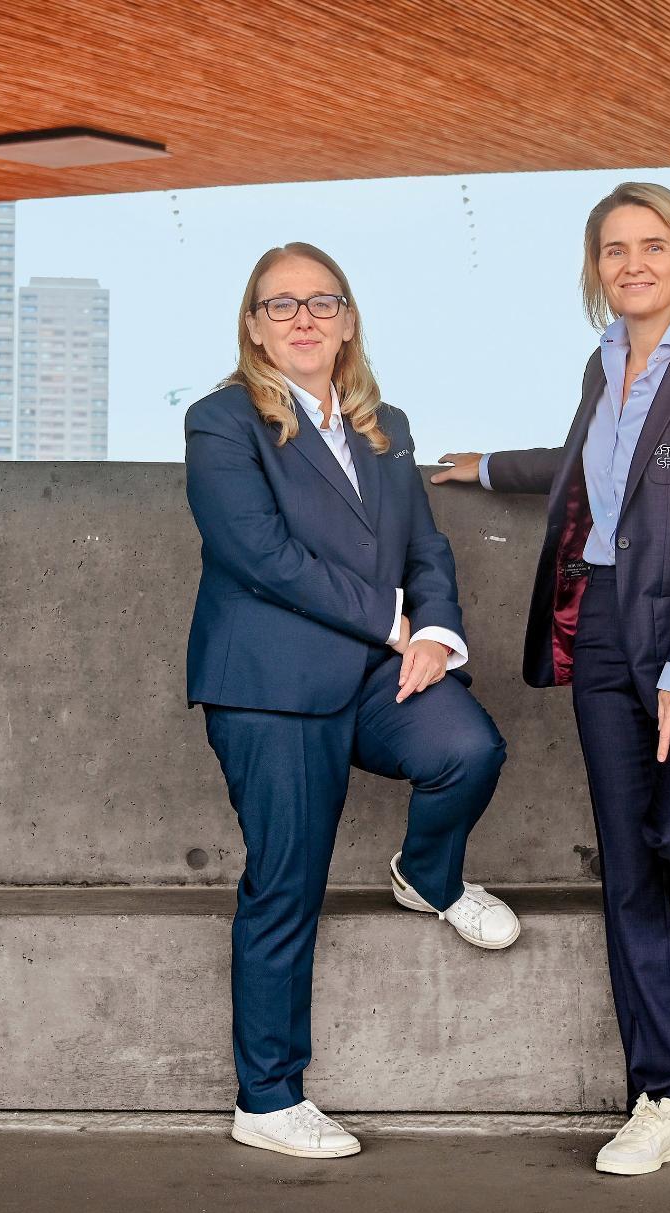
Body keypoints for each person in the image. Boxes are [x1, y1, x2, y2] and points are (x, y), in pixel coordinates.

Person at [434, 182, 670, 1177]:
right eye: (614, 249)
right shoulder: (604, 363)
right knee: (632, 877)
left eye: (651, 245)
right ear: (597, 269)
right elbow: (592, 473)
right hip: (602, 641)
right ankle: (666, 1099)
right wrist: (485, 464)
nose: (632, 263)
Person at [185, 242, 517, 1159]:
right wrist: (393, 623)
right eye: (279, 304)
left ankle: (430, 874)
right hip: (271, 684)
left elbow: (425, 547)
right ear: (254, 326)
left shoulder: (385, 426)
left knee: (468, 749)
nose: (302, 318)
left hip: (377, 670)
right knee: (288, 882)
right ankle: (268, 1097)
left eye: (320, 301)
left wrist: (438, 632)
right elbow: (256, 552)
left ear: (348, 318)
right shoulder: (222, 422)